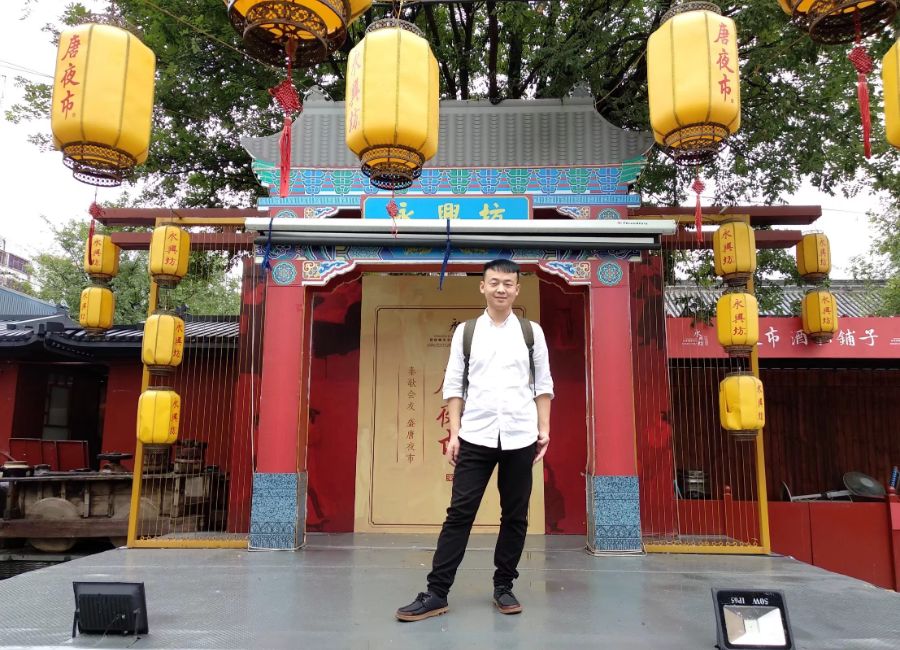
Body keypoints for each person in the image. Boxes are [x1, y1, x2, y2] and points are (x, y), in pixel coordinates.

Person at [396, 259, 553, 622]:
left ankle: (504, 586)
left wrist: (544, 429)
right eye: (494, 282)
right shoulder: (467, 332)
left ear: (517, 289)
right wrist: (454, 432)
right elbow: (454, 386)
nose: (501, 289)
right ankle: (437, 592)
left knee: (515, 515)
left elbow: (543, 384)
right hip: (476, 436)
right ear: (482, 286)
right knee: (459, 514)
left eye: (508, 283)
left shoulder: (531, 333)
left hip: (520, 436)